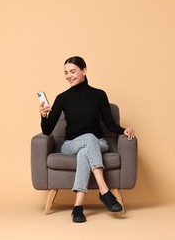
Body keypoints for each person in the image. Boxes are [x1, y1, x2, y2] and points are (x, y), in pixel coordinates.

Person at [38, 56, 135, 223]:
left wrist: (124, 130)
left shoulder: (99, 95)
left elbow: (110, 124)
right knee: (87, 141)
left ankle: (78, 207)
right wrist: (43, 116)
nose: (69, 76)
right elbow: (47, 131)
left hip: (99, 143)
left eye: (73, 71)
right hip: (70, 145)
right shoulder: (62, 98)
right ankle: (104, 191)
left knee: (85, 151)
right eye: (66, 73)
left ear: (84, 70)